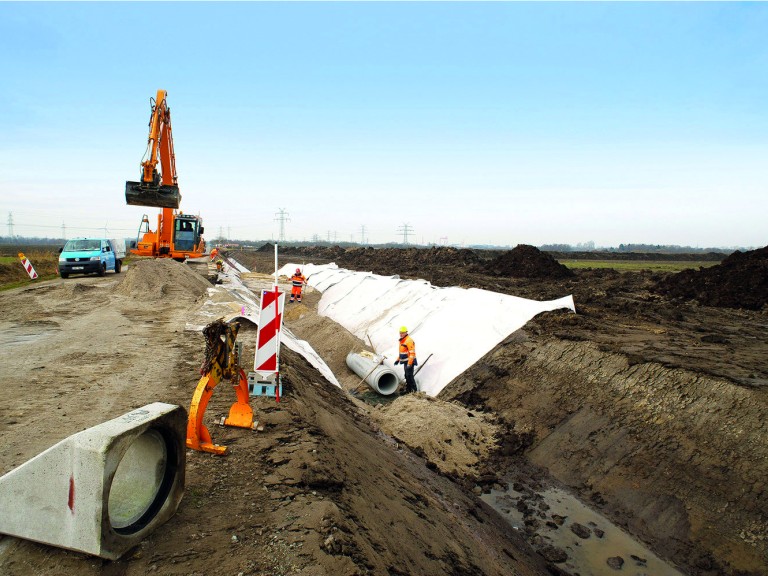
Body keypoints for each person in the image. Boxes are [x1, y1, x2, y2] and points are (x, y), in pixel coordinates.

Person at [393, 326, 418, 394]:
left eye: (402, 333)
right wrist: (398, 359)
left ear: (406, 333)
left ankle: (414, 391)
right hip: (405, 361)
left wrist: (409, 364)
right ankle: (408, 390)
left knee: (409, 376)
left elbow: (412, 353)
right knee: (406, 375)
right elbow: (403, 352)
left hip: (410, 361)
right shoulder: (402, 341)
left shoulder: (408, 341)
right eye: (400, 333)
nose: (401, 334)